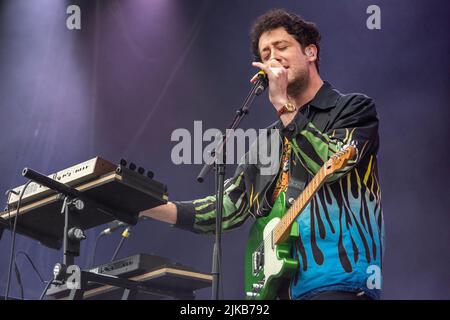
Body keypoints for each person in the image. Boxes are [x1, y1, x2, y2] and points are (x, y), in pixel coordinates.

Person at [140, 9, 384, 300]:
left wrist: (282, 104)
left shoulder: (353, 109)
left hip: (338, 278)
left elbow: (331, 164)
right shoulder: (267, 141)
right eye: (265, 53)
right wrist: (148, 207)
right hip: (278, 288)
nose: (273, 58)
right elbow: (230, 206)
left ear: (310, 52)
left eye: (281, 47)